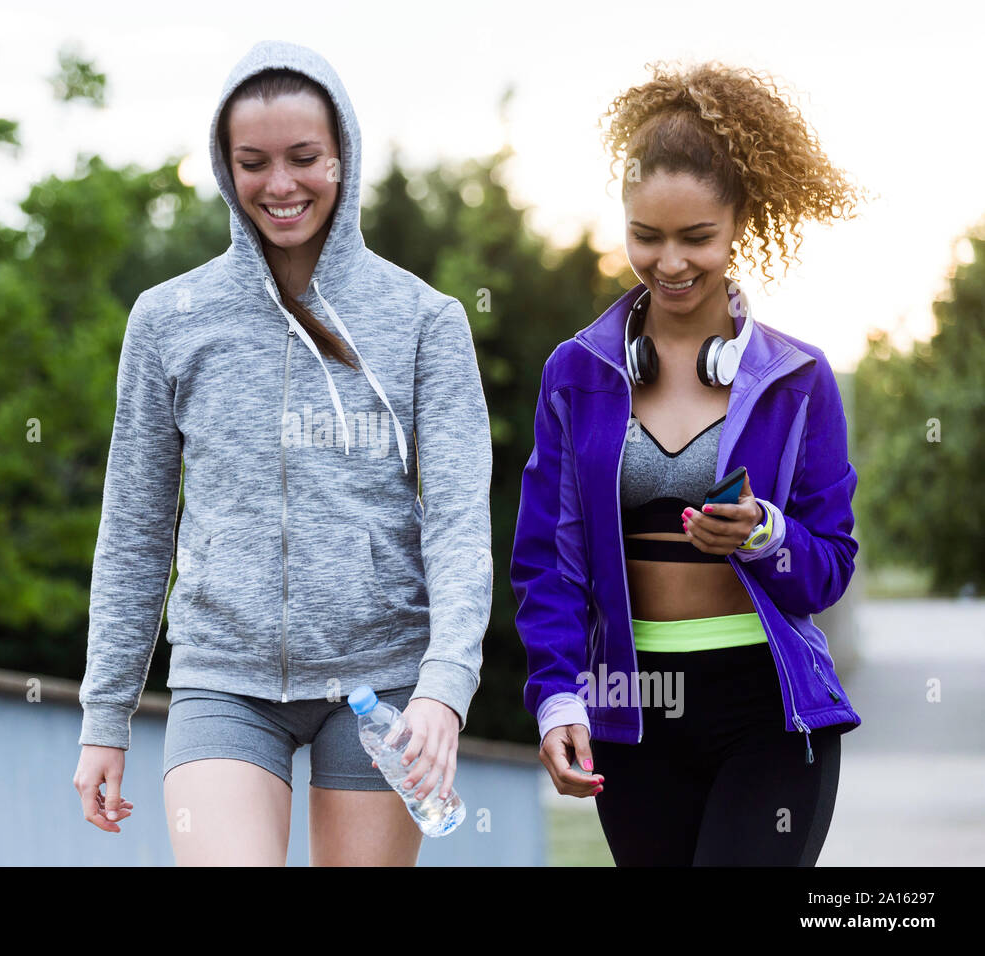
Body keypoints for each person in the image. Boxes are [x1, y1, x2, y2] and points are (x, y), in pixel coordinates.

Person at [72, 40, 493, 866]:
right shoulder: (168, 320)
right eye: (253, 162)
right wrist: (105, 714)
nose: (280, 185)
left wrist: (445, 685)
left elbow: (456, 521)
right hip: (222, 680)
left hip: (381, 684)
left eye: (304, 158)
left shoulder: (424, 320)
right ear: (225, 169)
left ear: (344, 157)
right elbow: (134, 528)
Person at [510, 61, 863, 866]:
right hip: (628, 712)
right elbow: (547, 565)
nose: (670, 262)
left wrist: (766, 534)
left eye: (697, 237)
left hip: (768, 716)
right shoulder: (576, 373)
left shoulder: (799, 381)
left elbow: (830, 565)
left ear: (741, 223)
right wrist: (558, 696)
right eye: (647, 235)